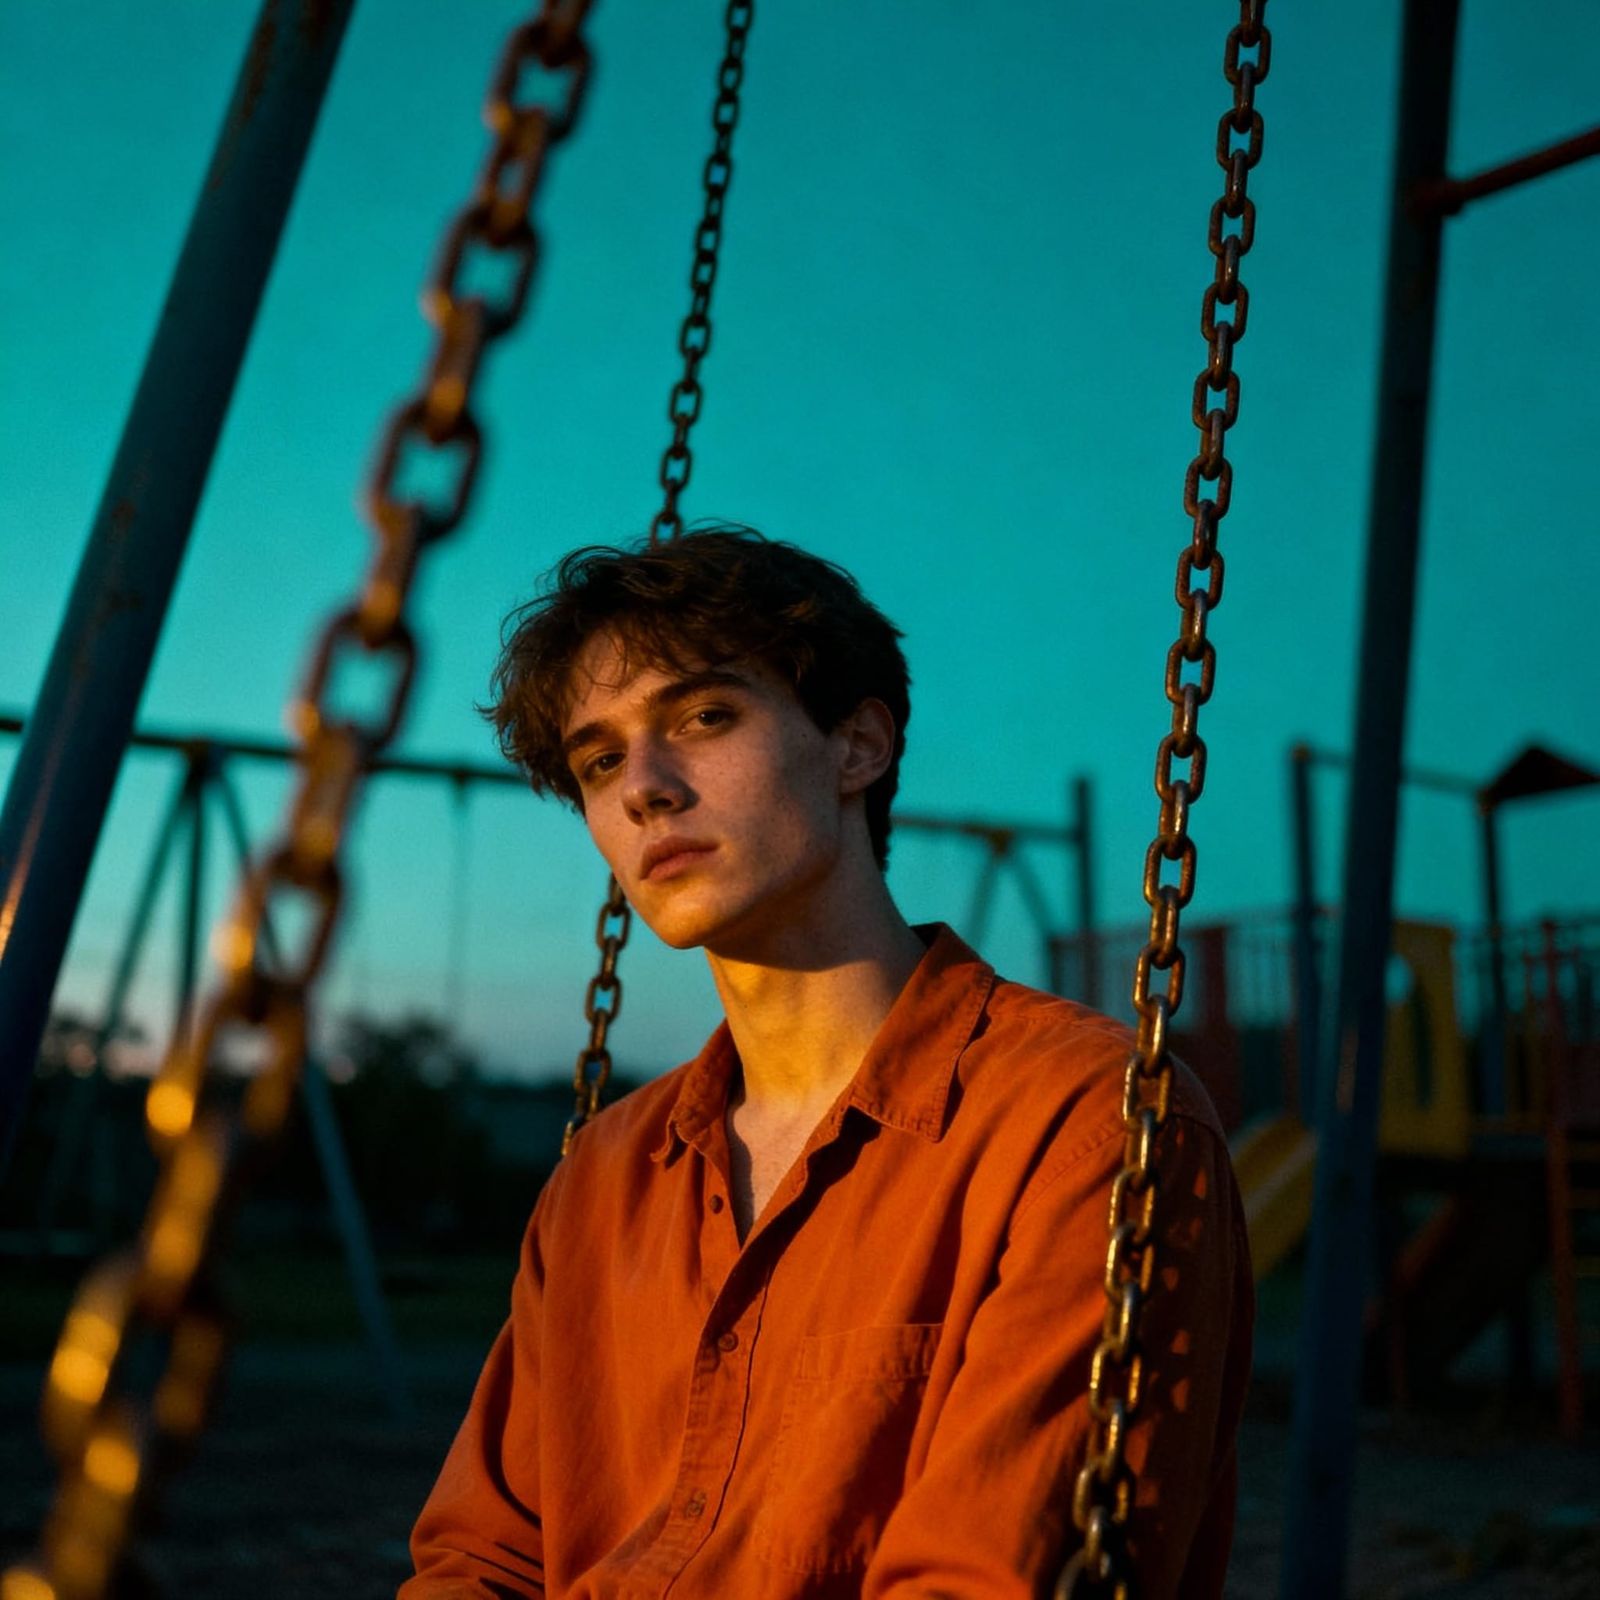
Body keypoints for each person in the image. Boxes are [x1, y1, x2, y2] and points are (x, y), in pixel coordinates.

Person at [401, 525, 1253, 1599]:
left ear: (859, 746)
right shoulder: (601, 1178)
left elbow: (993, 1581)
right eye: (601, 759)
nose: (644, 789)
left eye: (704, 717)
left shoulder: (1085, 1126)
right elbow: (483, 1556)